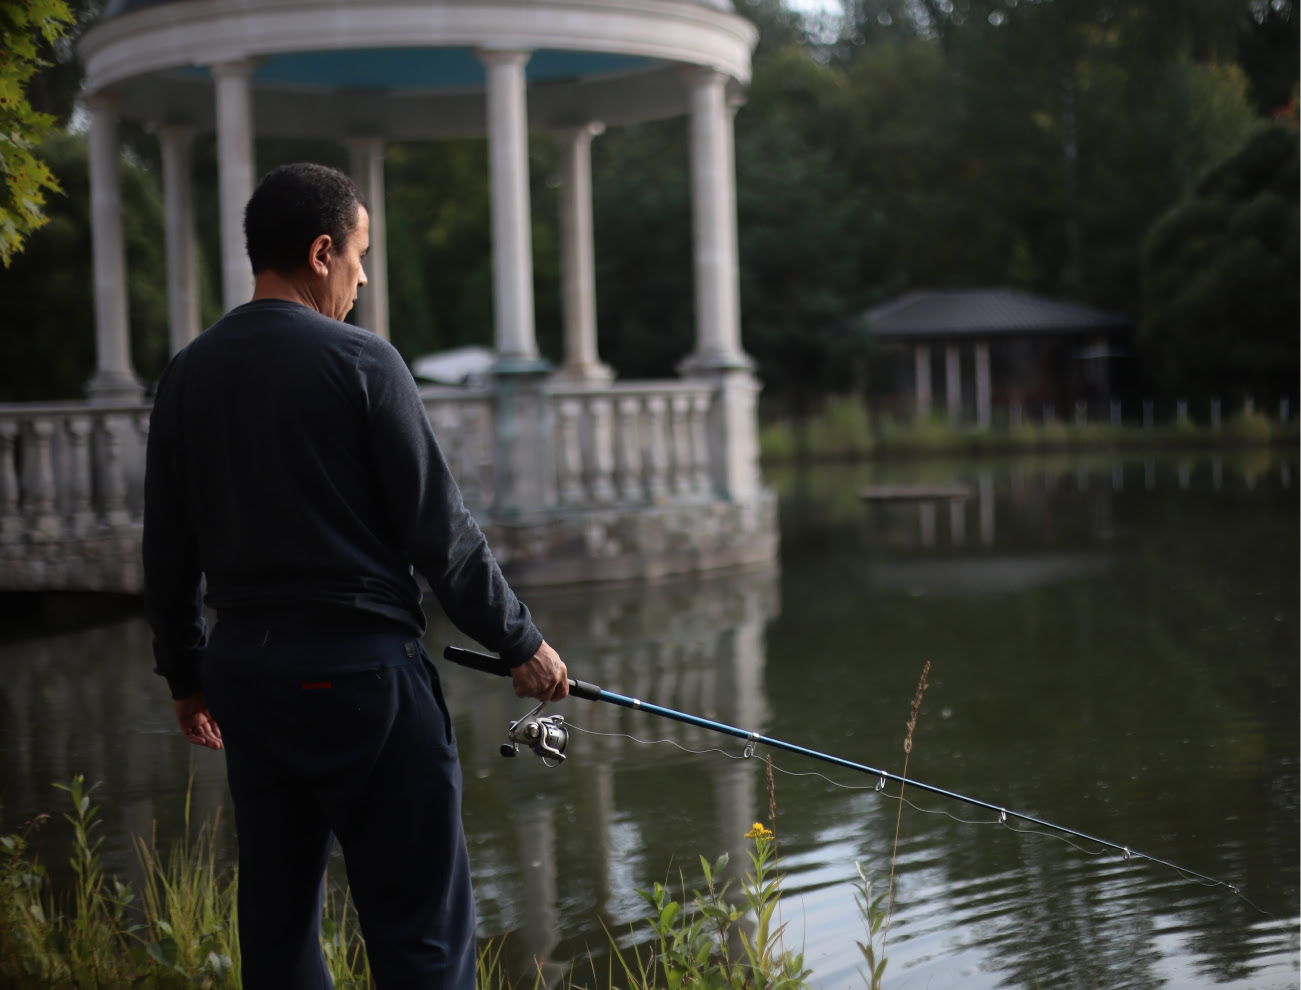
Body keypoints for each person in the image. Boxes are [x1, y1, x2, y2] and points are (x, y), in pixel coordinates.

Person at [143, 162, 568, 990]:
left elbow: (167, 547)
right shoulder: (365, 363)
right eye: (360, 256)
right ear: (320, 250)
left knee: (277, 926)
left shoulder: (186, 374)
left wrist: (185, 674)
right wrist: (521, 642)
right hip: (363, 678)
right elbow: (441, 536)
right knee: (422, 937)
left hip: (247, 679)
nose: (363, 277)